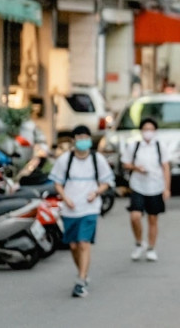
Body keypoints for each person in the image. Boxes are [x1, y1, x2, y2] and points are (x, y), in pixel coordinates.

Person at [49, 125, 115, 298]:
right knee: (73, 245)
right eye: (79, 137)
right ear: (73, 140)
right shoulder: (65, 159)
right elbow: (57, 182)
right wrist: (65, 197)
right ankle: (83, 274)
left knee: (84, 243)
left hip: (90, 207)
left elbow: (106, 182)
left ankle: (81, 279)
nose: (83, 141)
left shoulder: (97, 159)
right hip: (71, 207)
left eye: (86, 137)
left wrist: (96, 192)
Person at [121, 117, 170, 262]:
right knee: (135, 216)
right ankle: (138, 242)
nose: (148, 132)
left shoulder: (160, 146)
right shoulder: (134, 146)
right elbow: (125, 163)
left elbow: (166, 167)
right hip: (138, 185)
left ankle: (151, 248)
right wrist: (136, 168)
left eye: (151, 129)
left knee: (153, 218)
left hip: (156, 186)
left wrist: (167, 188)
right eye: (145, 129)